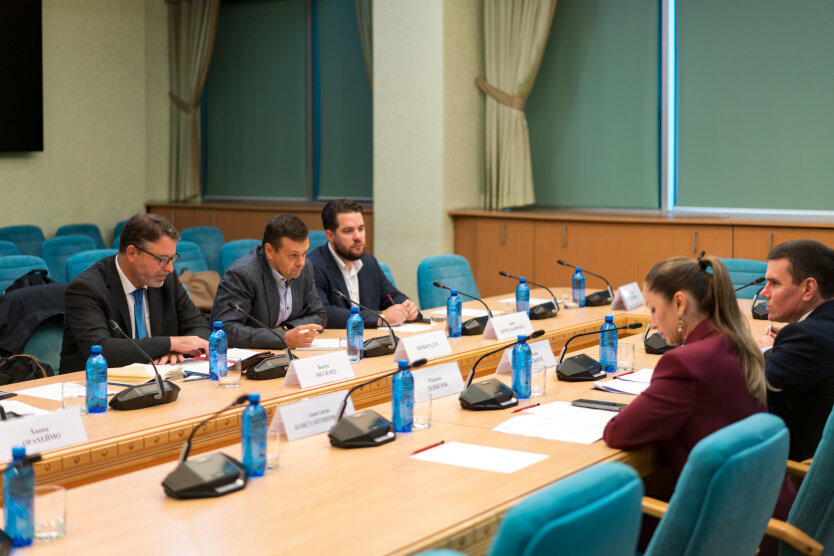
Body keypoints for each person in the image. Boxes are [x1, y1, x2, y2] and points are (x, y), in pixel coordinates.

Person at [603, 256, 794, 553]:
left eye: (653, 309)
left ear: (679, 303)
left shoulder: (685, 364)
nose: (652, 324)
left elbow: (618, 433)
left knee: (596, 524)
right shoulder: (735, 341)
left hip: (723, 531)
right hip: (762, 517)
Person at [60, 214, 210, 372]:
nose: (170, 268)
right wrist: (170, 344)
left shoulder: (166, 279)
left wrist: (174, 350)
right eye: (162, 259)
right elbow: (101, 350)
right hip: (94, 382)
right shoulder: (86, 289)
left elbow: (201, 327)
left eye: (172, 258)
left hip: (158, 378)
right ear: (132, 253)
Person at [756, 239, 834, 461]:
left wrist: (766, 350)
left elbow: (755, 391)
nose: (764, 293)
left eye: (774, 283)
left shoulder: (806, 338)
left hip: (793, 468)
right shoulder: (816, 330)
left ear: (808, 289)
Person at [211, 214, 325, 349]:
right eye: (293, 255)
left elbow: (319, 315)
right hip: (252, 356)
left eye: (304, 253)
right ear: (269, 251)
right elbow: (225, 329)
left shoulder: (305, 268)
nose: (301, 262)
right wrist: (283, 338)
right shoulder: (242, 274)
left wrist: (286, 329)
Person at [307, 199, 419, 328]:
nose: (358, 237)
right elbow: (323, 313)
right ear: (330, 236)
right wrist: (380, 318)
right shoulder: (312, 266)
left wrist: (407, 308)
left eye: (361, 229)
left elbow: (391, 296)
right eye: (348, 231)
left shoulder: (369, 262)